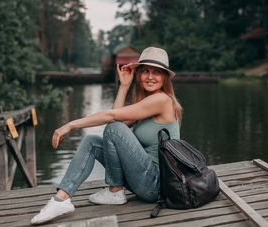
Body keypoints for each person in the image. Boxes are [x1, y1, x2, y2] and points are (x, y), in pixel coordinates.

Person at [30, 47, 182, 225]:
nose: (150, 76)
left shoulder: (162, 100)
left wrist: (70, 125)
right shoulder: (146, 102)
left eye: (157, 72)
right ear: (139, 75)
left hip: (156, 186)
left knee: (115, 127)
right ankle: (61, 199)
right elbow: (114, 124)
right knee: (92, 141)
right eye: (145, 71)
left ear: (164, 77)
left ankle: (115, 190)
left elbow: (113, 119)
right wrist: (124, 86)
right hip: (142, 179)